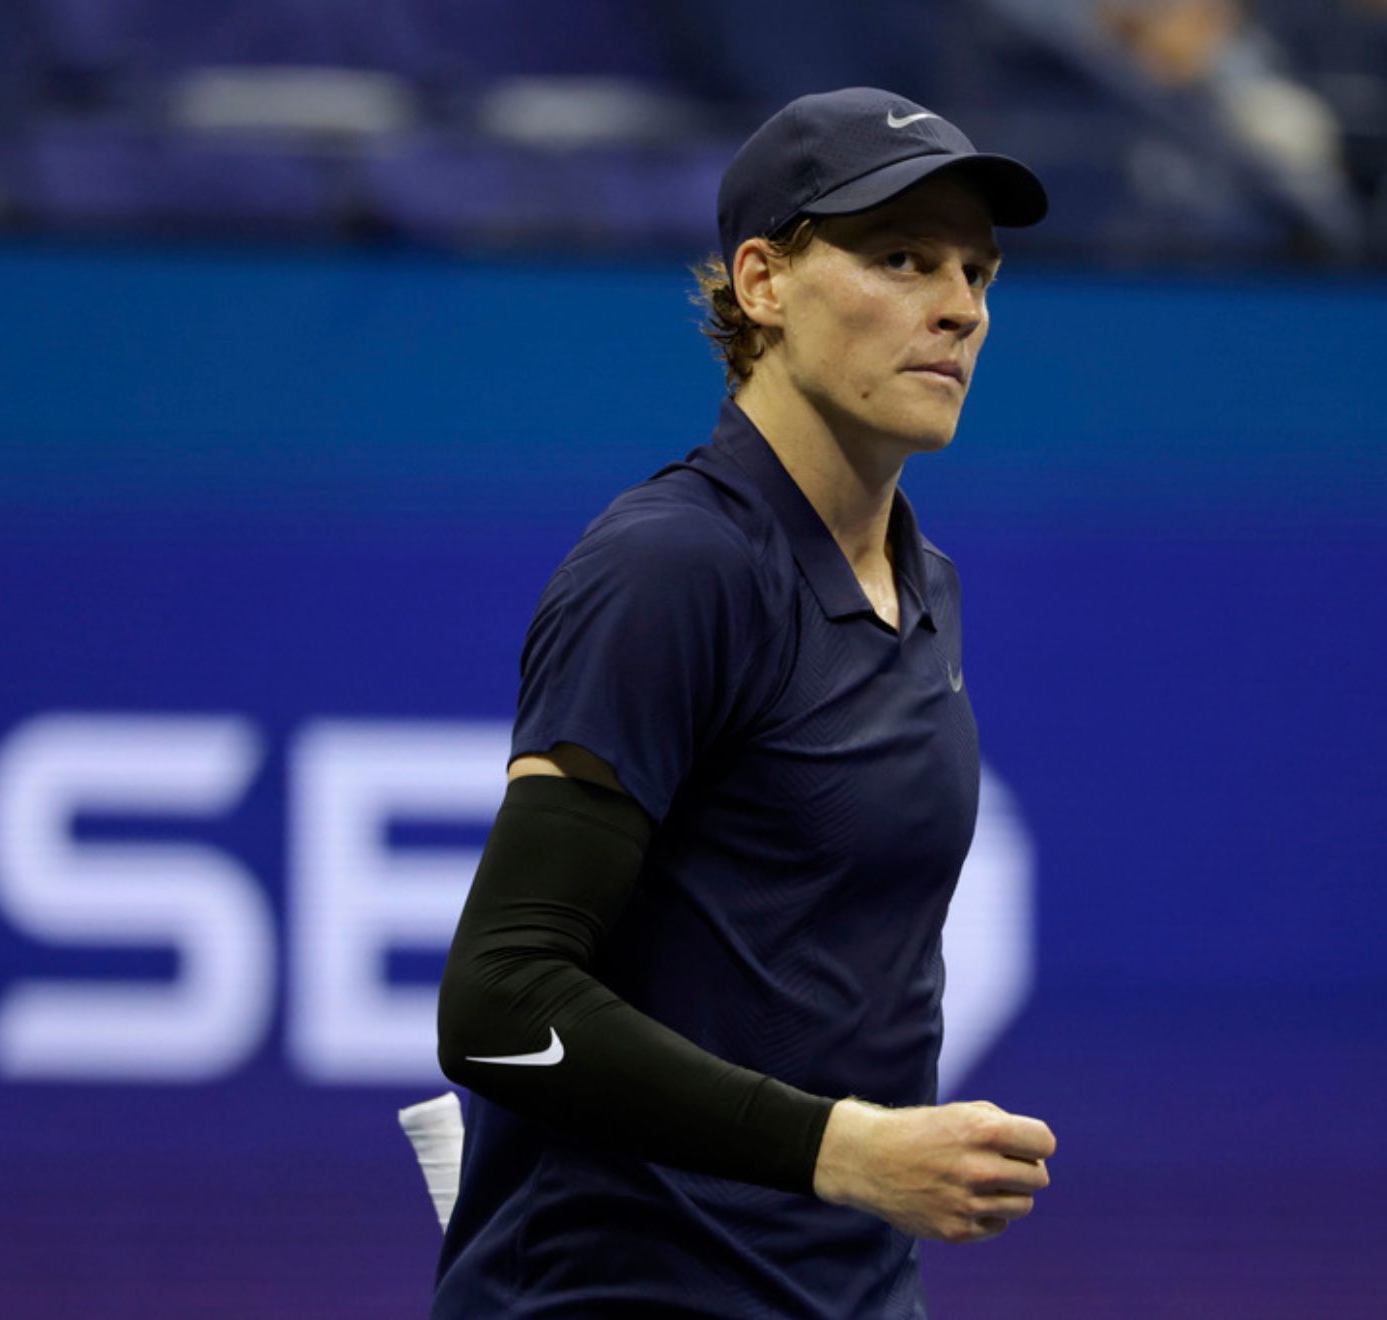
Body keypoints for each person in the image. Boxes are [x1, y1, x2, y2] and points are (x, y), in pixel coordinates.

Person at [431, 88, 1058, 1317]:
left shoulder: (924, 587)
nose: (961, 308)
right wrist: (849, 1152)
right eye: (900, 258)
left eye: (978, 272)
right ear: (763, 283)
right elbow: (501, 1004)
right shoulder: (675, 568)